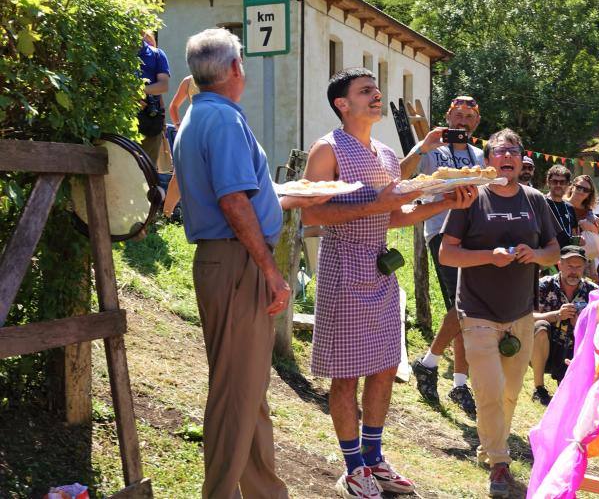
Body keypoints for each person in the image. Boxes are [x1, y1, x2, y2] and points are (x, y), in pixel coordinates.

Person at [301, 67, 478, 499]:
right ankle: (353, 466)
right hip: (343, 264)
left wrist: (445, 203)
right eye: (366, 91)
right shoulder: (327, 149)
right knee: (346, 375)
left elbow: (394, 215)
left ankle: (375, 459)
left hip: (380, 268)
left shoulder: (383, 152)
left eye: (377, 91)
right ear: (343, 104)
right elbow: (310, 216)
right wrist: (375, 204)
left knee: (382, 368)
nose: (376, 96)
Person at [172, 28, 330, 499]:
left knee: (248, 388)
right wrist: (269, 269)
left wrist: (284, 199)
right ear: (236, 69)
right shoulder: (222, 120)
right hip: (237, 261)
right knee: (235, 394)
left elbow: (244, 197)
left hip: (226, 260)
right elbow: (234, 201)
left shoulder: (199, 115)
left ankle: (264, 492)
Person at [440, 128, 560, 498]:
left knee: (509, 392)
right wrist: (488, 258)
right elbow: (447, 253)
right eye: (499, 152)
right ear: (487, 159)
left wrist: (535, 255)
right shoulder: (472, 199)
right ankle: (500, 464)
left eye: (513, 152)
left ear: (523, 161)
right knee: (489, 389)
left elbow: (554, 249)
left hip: (520, 313)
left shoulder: (535, 200)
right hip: (476, 310)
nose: (506, 157)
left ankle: (489, 447)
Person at [399, 95, 485, 415]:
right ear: (448, 116)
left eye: (468, 116)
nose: (462, 121)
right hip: (442, 231)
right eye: (457, 115)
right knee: (465, 304)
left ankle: (458, 383)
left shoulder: (479, 155)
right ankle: (430, 362)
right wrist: (422, 146)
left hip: (475, 235)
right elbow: (402, 174)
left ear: (476, 123)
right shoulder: (433, 146)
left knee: (462, 309)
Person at [530, 245, 598, 405]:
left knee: (570, 397)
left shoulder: (593, 292)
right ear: (559, 265)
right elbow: (526, 316)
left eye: (578, 267)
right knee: (540, 326)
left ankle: (575, 385)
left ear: (584, 267)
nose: (573, 271)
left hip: (573, 349)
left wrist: (581, 324)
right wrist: (555, 316)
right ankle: (539, 388)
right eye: (569, 266)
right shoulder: (543, 285)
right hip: (545, 347)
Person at [163, 75, 202, 217]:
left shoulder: (221, 77)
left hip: (212, 130)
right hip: (191, 130)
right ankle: (166, 215)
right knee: (179, 174)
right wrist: (178, 125)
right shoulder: (189, 81)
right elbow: (173, 106)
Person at [137, 30, 170, 166]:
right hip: (123, 119)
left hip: (150, 120)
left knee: (147, 169)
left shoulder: (156, 54)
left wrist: (137, 91)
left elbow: (163, 86)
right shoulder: (117, 53)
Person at [544, 165, 578, 248]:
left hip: (567, 256)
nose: (558, 185)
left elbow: (573, 233)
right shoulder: (541, 204)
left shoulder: (570, 207)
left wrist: (578, 241)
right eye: (554, 181)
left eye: (562, 182)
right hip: (548, 256)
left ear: (568, 184)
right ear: (548, 182)